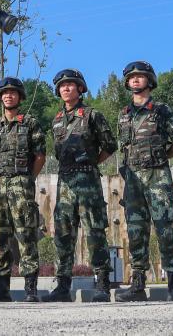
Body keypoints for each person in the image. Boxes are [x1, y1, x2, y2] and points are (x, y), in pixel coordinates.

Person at [115, 61, 173, 303]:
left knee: (165, 228)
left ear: (149, 80)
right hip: (133, 180)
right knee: (135, 231)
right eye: (131, 77)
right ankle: (137, 283)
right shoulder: (124, 115)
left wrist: (161, 157)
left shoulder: (162, 110)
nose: (135, 80)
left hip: (157, 176)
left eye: (140, 76)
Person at [43, 69, 117, 303]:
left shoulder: (92, 115)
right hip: (64, 182)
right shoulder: (56, 120)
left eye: (70, 85)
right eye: (62, 86)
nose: (66, 88)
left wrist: (92, 163)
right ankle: (63, 286)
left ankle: (102, 284)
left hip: (87, 181)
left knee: (94, 232)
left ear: (80, 88)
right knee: (63, 234)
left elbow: (109, 145)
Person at [0, 77, 46, 303]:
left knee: (26, 234)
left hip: (21, 184)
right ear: (0, 98)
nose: (9, 95)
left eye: (13, 92)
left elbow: (40, 156)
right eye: (5, 93)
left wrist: (27, 179)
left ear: (20, 96)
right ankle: (2, 287)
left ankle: (30, 288)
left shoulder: (30, 123)